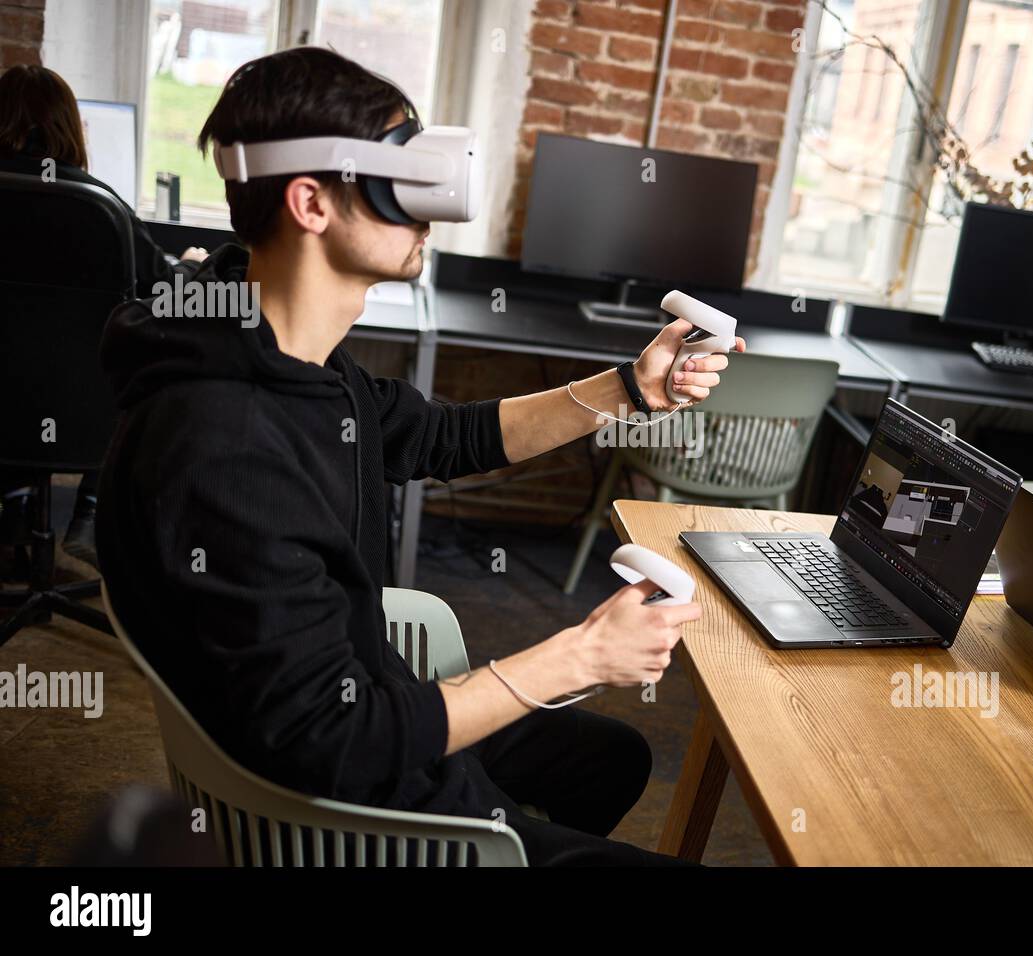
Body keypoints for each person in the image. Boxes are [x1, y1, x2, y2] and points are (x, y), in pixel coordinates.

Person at [96, 47, 744, 866]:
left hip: (368, 697)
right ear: (312, 202)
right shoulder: (227, 446)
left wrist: (631, 389)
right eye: (398, 181)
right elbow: (329, 738)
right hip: (350, 802)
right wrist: (579, 655)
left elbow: (441, 436)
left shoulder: (273, 346)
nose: (428, 210)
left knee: (612, 760)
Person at [0, 64, 208, 569]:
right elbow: (170, 294)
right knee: (158, 348)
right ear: (71, 128)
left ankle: (14, 505)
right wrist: (194, 268)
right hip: (84, 418)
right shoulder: (99, 208)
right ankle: (91, 511)